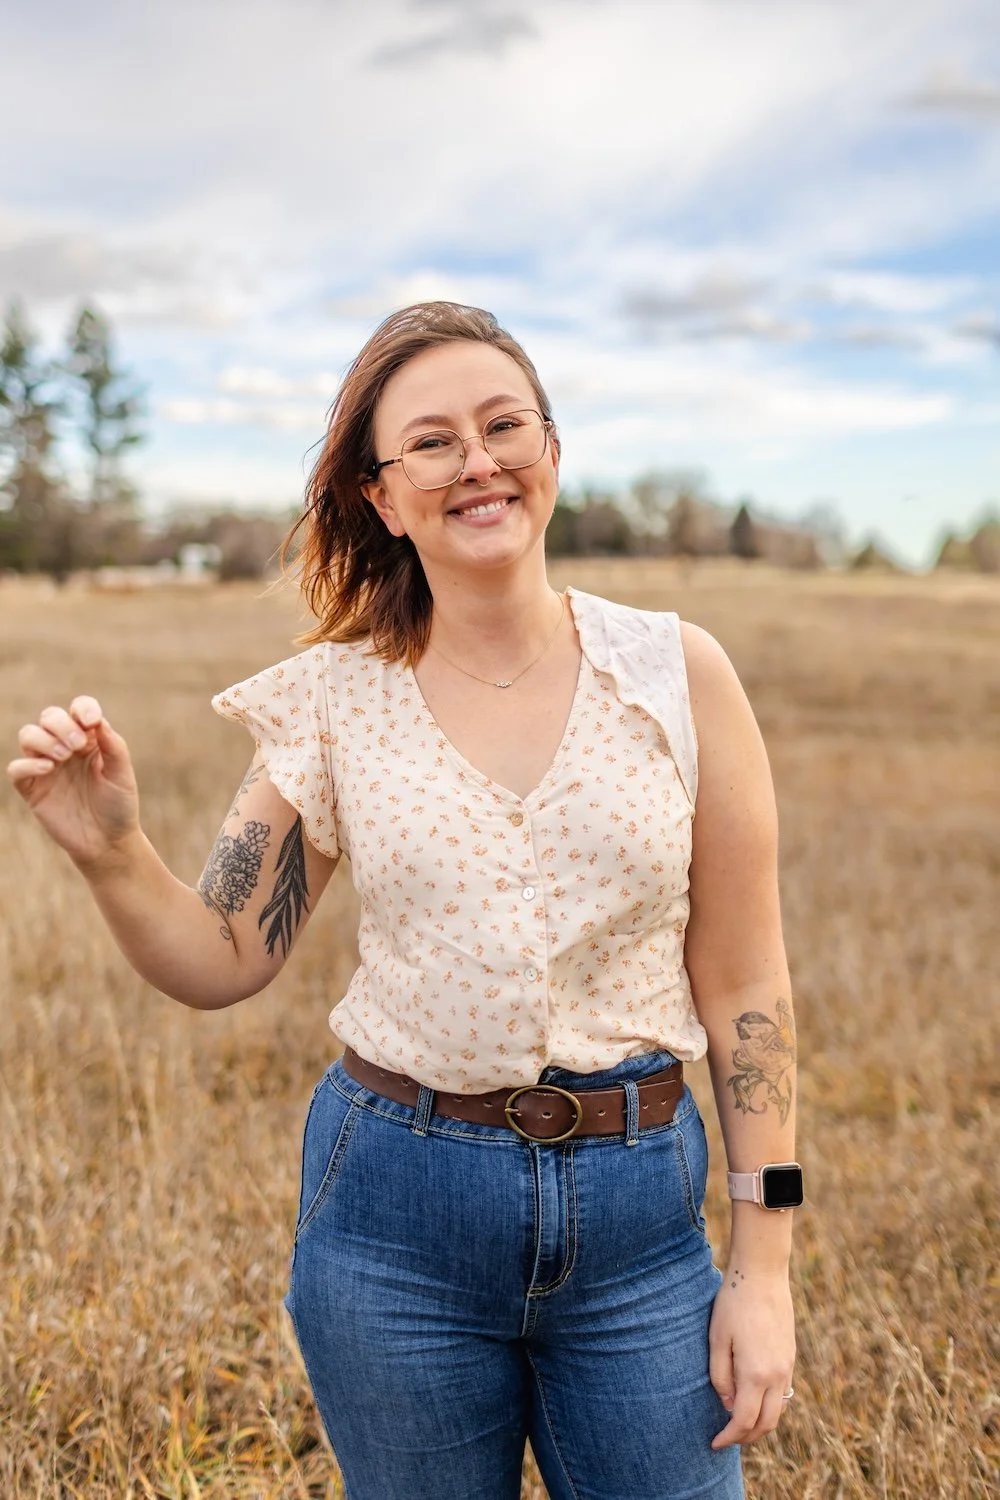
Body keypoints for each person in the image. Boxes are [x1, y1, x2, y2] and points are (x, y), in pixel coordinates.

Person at [8, 301, 800, 1500]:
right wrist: (113, 853)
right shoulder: (334, 701)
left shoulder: (677, 674)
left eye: (502, 425)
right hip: (396, 1220)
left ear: (550, 447)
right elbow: (224, 951)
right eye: (430, 442)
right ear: (381, 494)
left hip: (641, 1225)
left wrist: (765, 1267)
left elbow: (746, 989)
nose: (475, 462)